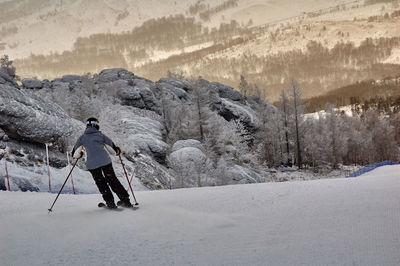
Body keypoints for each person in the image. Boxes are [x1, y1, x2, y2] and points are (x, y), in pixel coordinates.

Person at [72, 117, 133, 209]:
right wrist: (117, 151)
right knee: (113, 180)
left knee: (101, 183)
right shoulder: (101, 136)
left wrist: (80, 154)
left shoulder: (82, 138)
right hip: (105, 162)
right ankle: (126, 201)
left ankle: (110, 203)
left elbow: (75, 154)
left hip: (92, 165)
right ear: (96, 125)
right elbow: (113, 151)